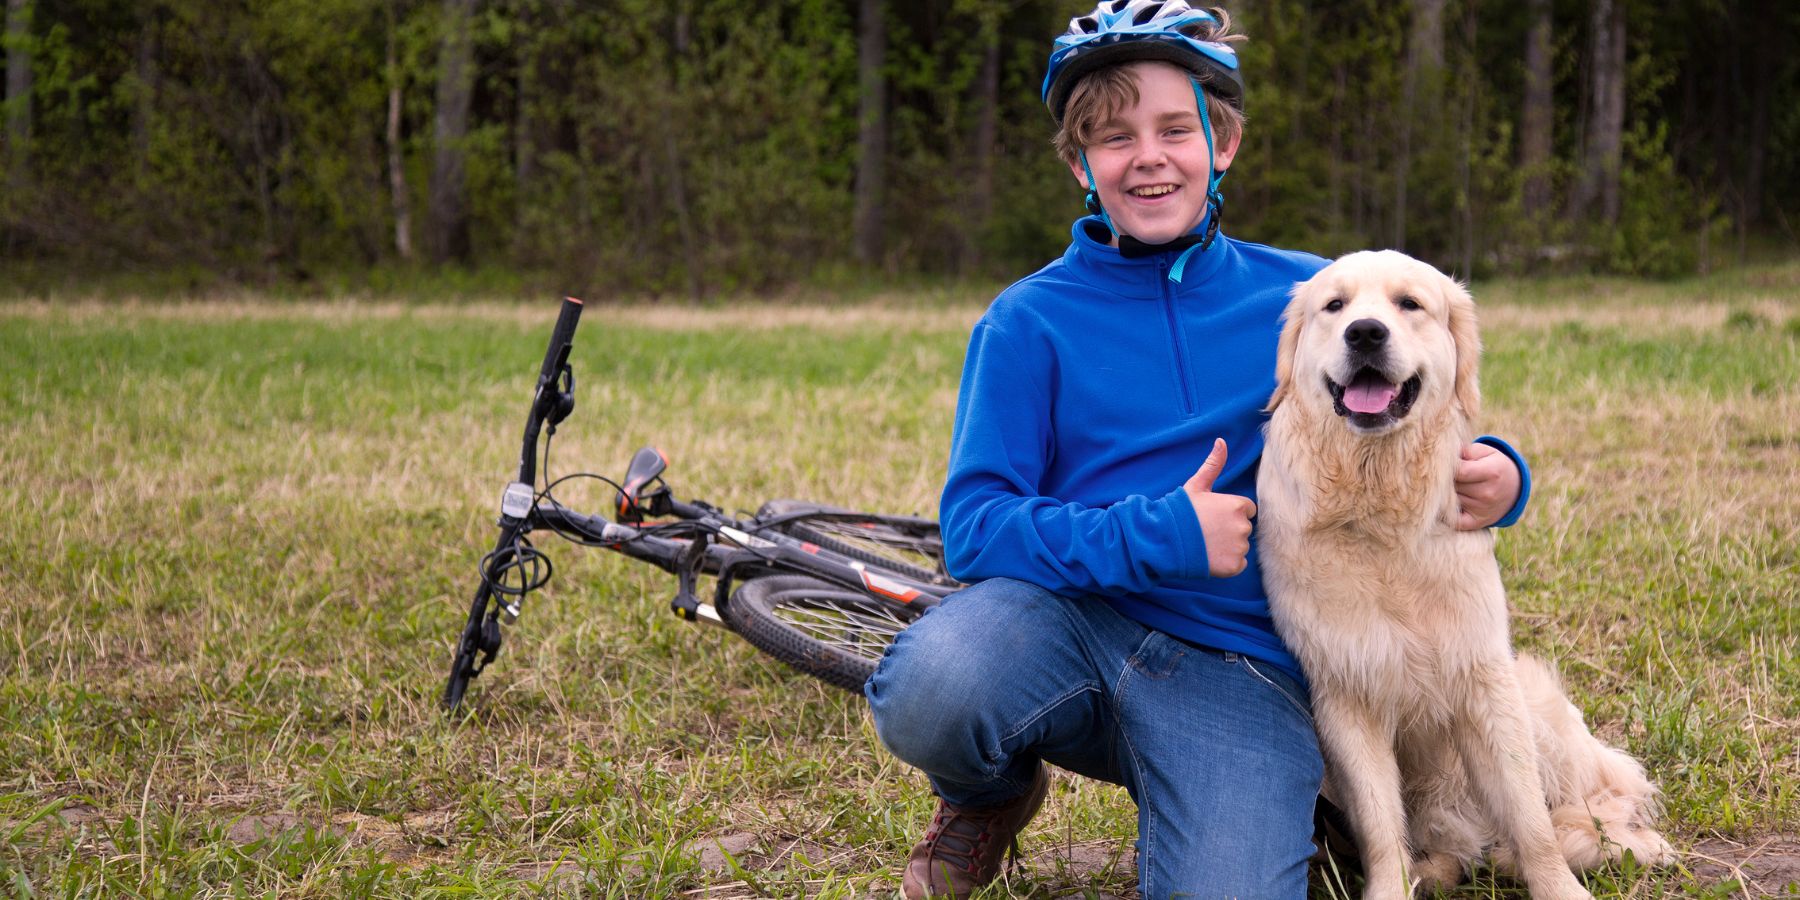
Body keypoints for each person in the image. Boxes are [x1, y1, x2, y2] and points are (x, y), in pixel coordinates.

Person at [863, 2, 1532, 898]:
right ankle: (988, 791)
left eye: (1177, 129)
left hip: (1239, 668)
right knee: (935, 684)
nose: (1148, 156)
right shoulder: (1027, 321)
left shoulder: (1309, 294)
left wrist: (1503, 475)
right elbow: (975, 528)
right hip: (1068, 625)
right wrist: (1159, 534)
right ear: (1078, 164)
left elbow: (1407, 392)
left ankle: (1227, 802)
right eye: (1112, 138)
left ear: (1224, 145)